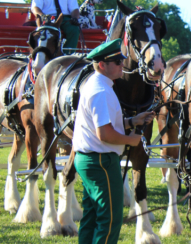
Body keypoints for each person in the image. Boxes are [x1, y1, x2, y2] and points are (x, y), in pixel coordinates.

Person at [72, 40, 155, 244]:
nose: (122, 65)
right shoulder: (101, 91)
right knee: (110, 220)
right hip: (100, 161)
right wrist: (131, 140)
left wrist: (131, 121)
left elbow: (102, 126)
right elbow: (105, 135)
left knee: (91, 218)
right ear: (102, 65)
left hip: (92, 160)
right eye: (117, 61)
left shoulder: (98, 85)